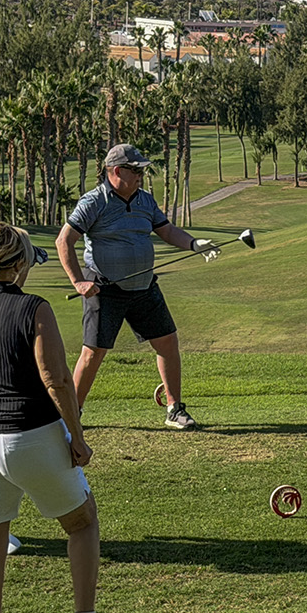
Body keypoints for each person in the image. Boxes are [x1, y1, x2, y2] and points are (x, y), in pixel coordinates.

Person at [0, 222, 126, 613]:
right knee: (82, 522)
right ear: (20, 263)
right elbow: (57, 380)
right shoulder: (34, 309)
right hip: (28, 436)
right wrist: (76, 438)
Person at [56, 143, 219, 430]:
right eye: (136, 170)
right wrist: (79, 281)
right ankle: (71, 416)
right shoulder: (94, 202)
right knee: (93, 352)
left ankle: (175, 410)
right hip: (105, 289)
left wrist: (193, 244)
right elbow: (64, 241)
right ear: (116, 171)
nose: (141, 175)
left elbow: (166, 230)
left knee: (167, 342)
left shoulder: (145, 200)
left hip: (144, 287)